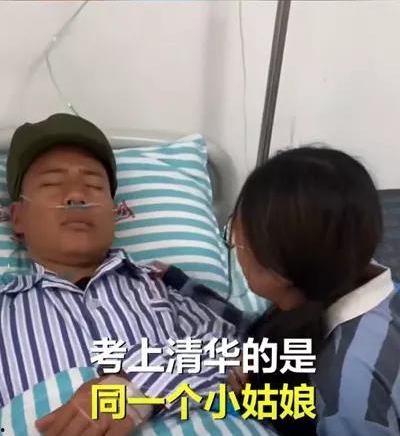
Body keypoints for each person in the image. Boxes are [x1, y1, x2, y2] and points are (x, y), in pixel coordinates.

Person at [0, 113, 245, 435]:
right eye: (51, 184)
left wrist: (137, 388)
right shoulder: (6, 310)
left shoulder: (164, 285)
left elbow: (237, 352)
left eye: (93, 185)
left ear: (114, 213)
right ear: (17, 217)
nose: (76, 196)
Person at [226, 147, 400, 435]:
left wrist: (253, 403)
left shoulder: (346, 391)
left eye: (237, 239)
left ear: (279, 271)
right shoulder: (349, 276)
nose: (235, 250)